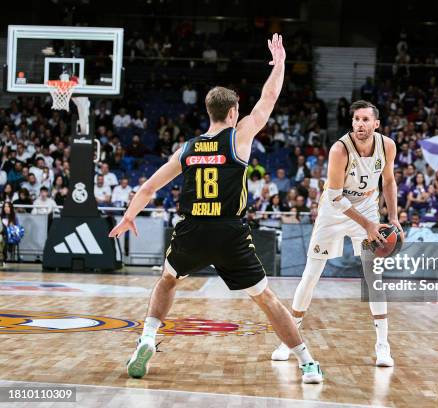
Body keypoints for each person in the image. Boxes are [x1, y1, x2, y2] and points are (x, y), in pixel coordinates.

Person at [110, 34, 323, 384]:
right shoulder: (239, 137)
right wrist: (280, 64)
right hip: (230, 233)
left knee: (167, 281)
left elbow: (149, 187)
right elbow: (268, 99)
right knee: (266, 299)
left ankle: (147, 338)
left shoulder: (188, 148)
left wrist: (129, 216)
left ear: (208, 112)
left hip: (193, 229)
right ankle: (307, 362)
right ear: (233, 111)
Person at [270, 100, 404, 367]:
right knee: (310, 276)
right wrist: (367, 224)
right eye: (356, 119)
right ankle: (288, 341)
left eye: (366, 119)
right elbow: (334, 197)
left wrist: (392, 216)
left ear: (376, 124)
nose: (360, 124)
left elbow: (388, 180)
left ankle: (382, 346)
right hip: (335, 213)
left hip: (367, 210)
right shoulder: (339, 149)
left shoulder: (387, 145)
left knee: (373, 276)